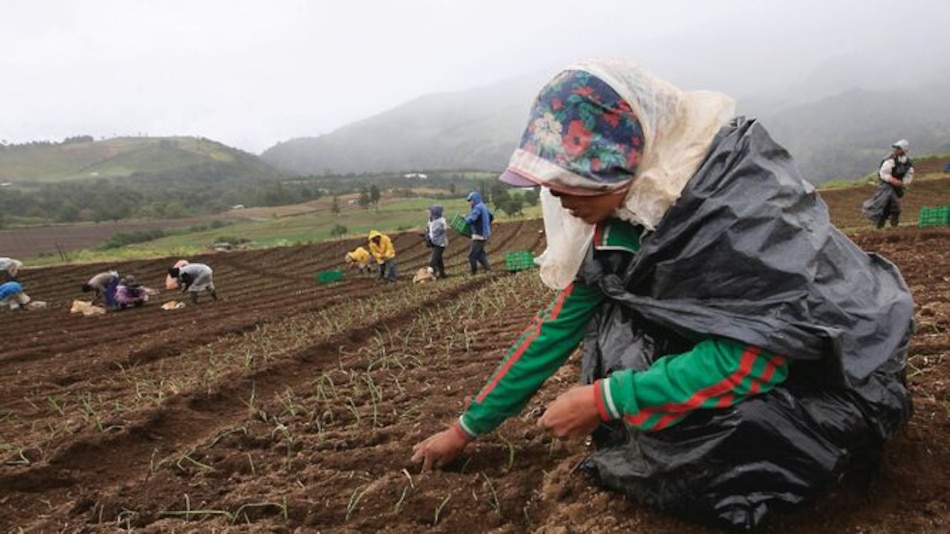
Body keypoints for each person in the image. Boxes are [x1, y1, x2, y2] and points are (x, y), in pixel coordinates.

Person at [411, 60, 914, 529]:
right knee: (625, 340)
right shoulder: (621, 222)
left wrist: (607, 398)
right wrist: (465, 429)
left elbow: (760, 356)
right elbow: (556, 329)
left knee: (748, 444)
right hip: (751, 352)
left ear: (629, 156)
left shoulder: (735, 213)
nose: (558, 194)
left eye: (573, 177)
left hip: (831, 370)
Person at [862, 139, 915, 228]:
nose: (896, 150)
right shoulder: (889, 160)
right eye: (895, 148)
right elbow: (883, 173)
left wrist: (903, 183)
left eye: (899, 148)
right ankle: (894, 227)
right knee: (895, 206)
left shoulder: (907, 162)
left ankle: (879, 227)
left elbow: (909, 174)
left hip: (896, 187)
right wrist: (893, 180)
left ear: (904, 150)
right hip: (886, 186)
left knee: (886, 207)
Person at [463, 191, 492, 275]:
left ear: (475, 199)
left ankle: (473, 272)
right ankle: (488, 270)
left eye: (470, 200)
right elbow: (491, 216)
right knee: (480, 254)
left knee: (471, 255)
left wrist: (465, 219)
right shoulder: (483, 206)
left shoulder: (478, 208)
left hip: (479, 235)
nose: (470, 203)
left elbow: (472, 219)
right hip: (484, 234)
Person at [425, 204, 448, 278]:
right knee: (438, 260)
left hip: (439, 244)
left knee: (433, 260)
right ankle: (442, 274)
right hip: (438, 243)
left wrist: (427, 237)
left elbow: (434, 235)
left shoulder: (437, 223)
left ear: (434, 213)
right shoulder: (433, 221)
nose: (428, 214)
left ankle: (429, 274)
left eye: (430, 212)